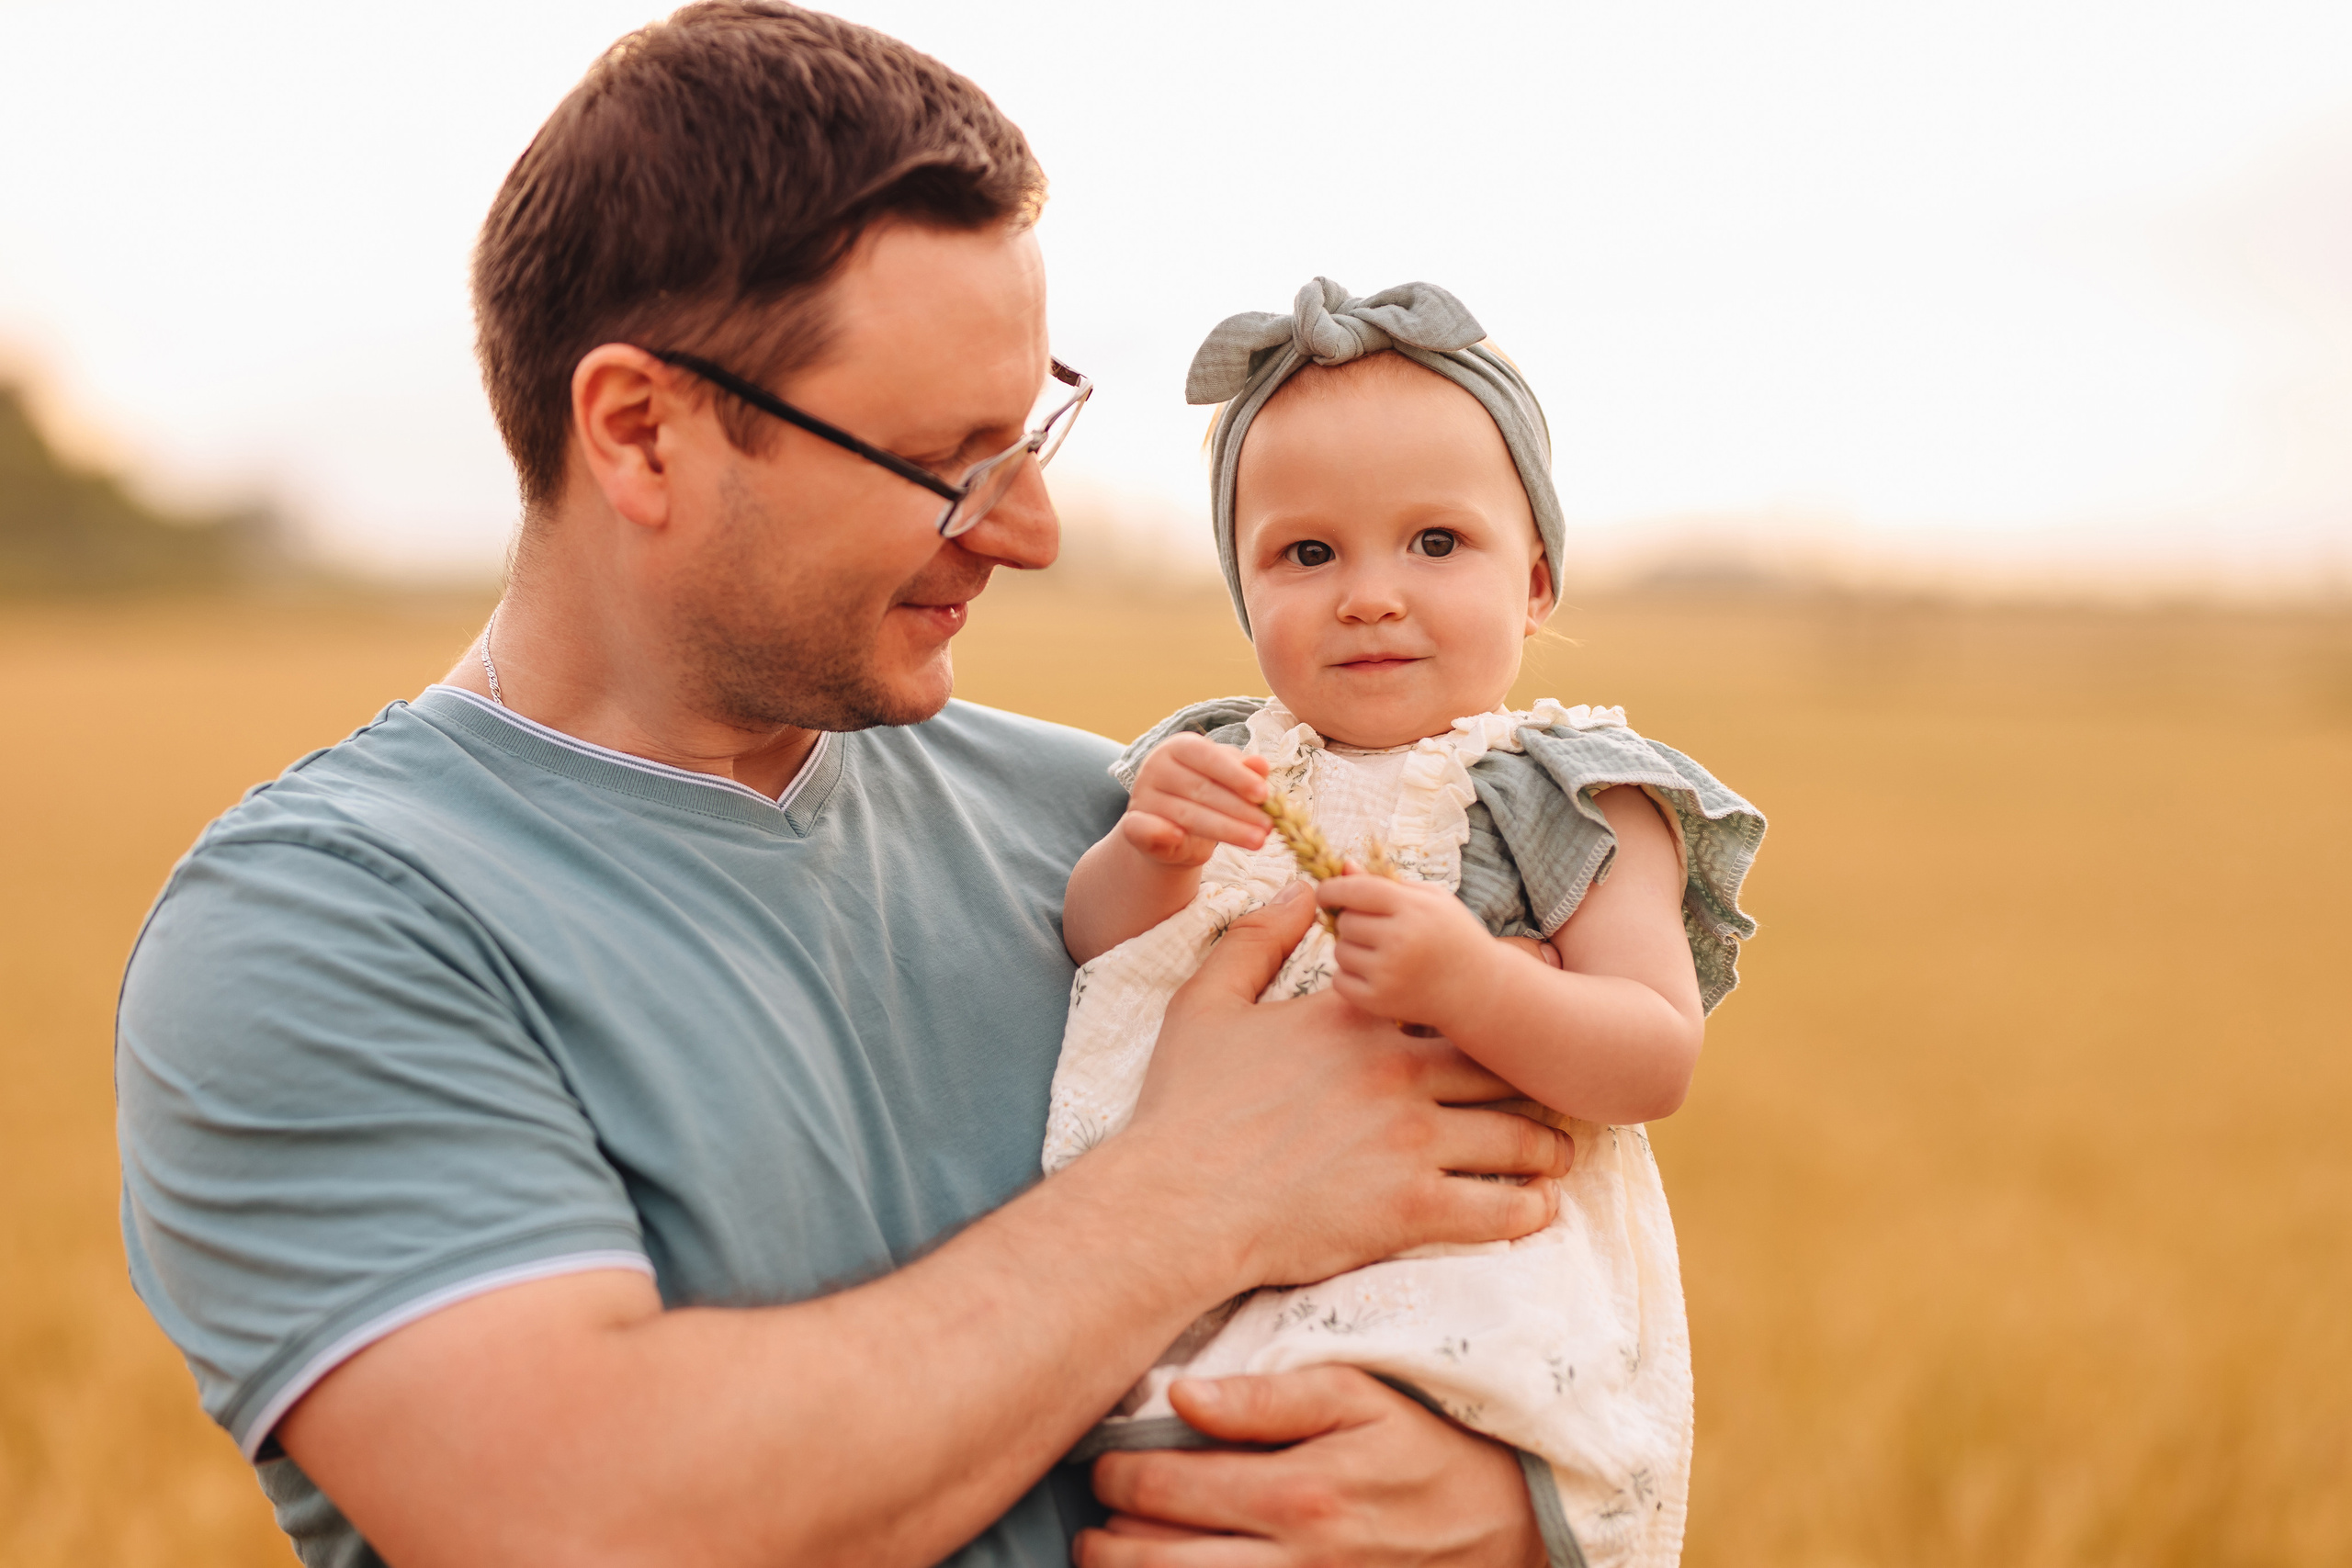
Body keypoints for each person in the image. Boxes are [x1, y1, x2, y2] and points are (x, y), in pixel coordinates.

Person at [114, 7, 1589, 1566]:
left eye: (1034, 432)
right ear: (640, 433)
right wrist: (1195, 1196)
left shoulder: (1128, 825)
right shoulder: (323, 931)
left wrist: (1510, 1507)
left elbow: (1517, 1279)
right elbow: (572, 1521)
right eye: (952, 461)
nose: (1030, 530)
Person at [1046, 281, 1766, 1567]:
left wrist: (1474, 983)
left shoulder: (1566, 787)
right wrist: (1147, 853)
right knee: (1191, 1508)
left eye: (1436, 544)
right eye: (1306, 554)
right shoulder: (1221, 759)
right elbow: (1098, 949)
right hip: (1222, 1262)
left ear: (1534, 581)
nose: (1371, 595)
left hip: (1469, 1278)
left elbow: (1653, 1052)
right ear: (1246, 598)